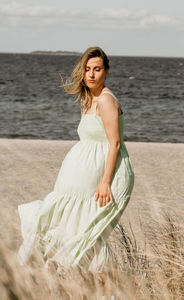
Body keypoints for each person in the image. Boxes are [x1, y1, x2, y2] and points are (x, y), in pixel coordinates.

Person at [17, 46, 134, 273]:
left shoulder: (106, 101)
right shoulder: (89, 100)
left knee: (88, 230)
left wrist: (105, 182)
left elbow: (115, 144)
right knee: (67, 224)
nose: (91, 74)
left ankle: (101, 284)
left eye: (97, 69)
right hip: (77, 181)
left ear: (106, 72)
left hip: (102, 178)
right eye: (87, 69)